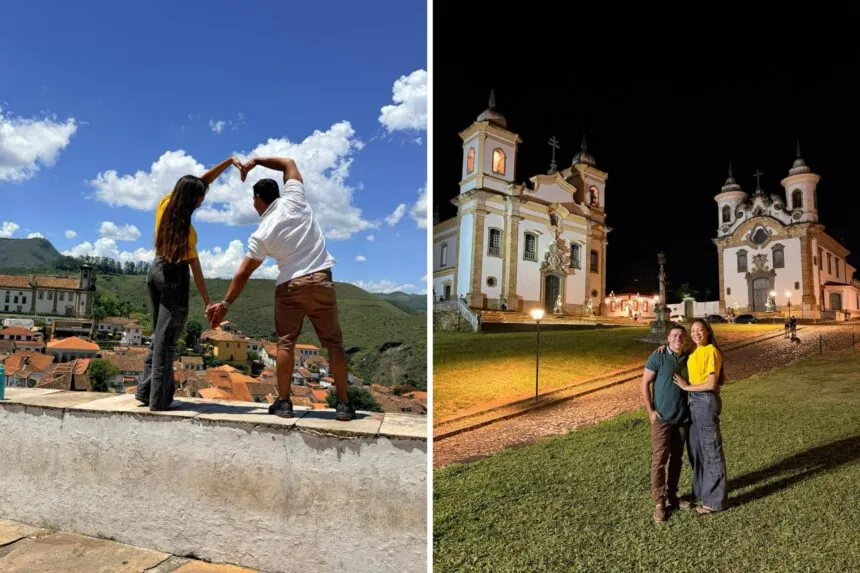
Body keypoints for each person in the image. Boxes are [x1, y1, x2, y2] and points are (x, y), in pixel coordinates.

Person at [206, 157, 355, 421]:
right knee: (334, 344)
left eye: (254, 200)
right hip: (321, 280)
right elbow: (289, 163)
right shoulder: (295, 199)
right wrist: (256, 161)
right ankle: (344, 405)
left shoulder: (261, 233)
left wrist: (226, 304)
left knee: (286, 344)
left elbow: (243, 274)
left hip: (289, 286)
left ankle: (284, 403)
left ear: (258, 199)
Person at [135, 157, 241, 410]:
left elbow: (200, 182)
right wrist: (207, 302)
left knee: (159, 337)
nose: (202, 201)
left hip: (155, 270)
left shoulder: (165, 204)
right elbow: (195, 267)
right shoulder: (186, 232)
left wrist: (228, 163)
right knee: (168, 340)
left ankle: (145, 391)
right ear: (193, 199)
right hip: (174, 276)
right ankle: (159, 400)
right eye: (200, 198)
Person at [671, 319, 728, 514]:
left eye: (700, 330)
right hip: (693, 403)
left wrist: (687, 387)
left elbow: (711, 383)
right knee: (696, 450)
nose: (696, 333)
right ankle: (701, 491)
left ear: (708, 332)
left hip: (705, 401)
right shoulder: (694, 352)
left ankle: (714, 501)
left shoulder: (711, 351)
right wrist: (662, 349)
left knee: (711, 450)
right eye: (693, 330)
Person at [642, 324, 692, 523]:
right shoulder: (658, 356)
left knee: (677, 458)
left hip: (682, 418)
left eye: (681, 335)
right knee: (659, 460)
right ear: (668, 339)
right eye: (674, 335)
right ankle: (659, 501)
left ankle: (672, 495)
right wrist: (650, 411)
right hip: (662, 418)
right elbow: (644, 383)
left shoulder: (689, 358)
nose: (678, 338)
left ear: (684, 339)